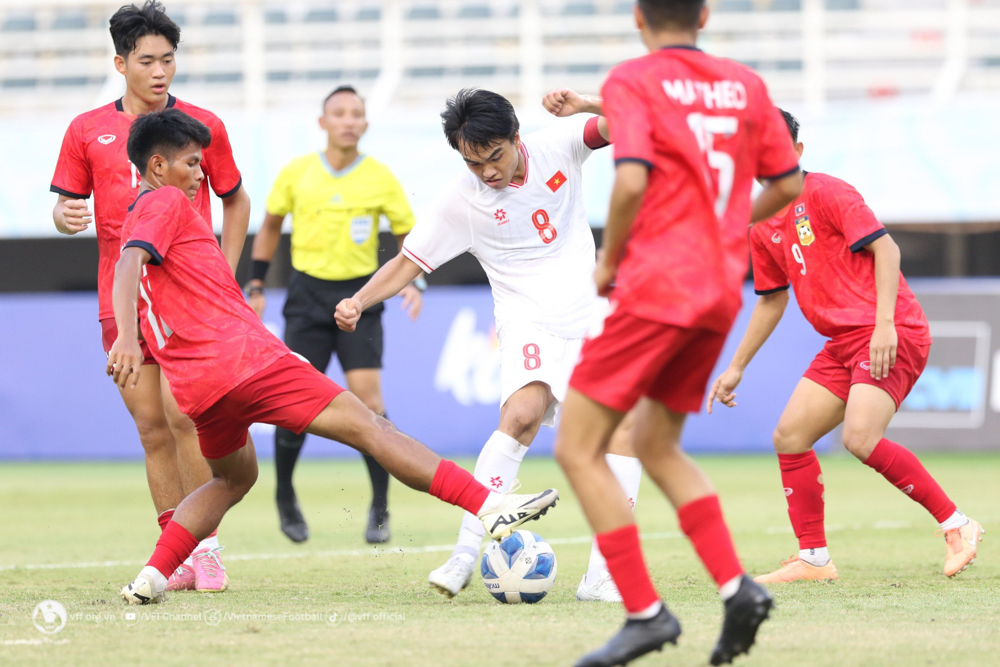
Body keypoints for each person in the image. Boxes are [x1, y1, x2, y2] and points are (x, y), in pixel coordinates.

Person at [109, 109, 560, 605]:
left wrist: (136, 336)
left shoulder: (139, 216)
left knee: (231, 478)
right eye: (192, 164)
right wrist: (126, 338)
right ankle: (490, 507)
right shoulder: (167, 202)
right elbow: (128, 263)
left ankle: (153, 574)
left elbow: (136, 270)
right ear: (157, 168)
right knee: (374, 427)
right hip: (248, 362)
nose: (200, 175)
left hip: (200, 388)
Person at [551, 0, 806, 664]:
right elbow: (787, 183)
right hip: (719, 290)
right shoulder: (747, 86)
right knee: (658, 446)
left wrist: (610, 260)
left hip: (657, 283)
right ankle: (736, 588)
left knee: (579, 447)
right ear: (706, 14)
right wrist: (723, 227)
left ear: (638, 17)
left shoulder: (634, 78)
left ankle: (644, 611)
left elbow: (631, 176)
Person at [334, 88, 644, 603]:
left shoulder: (560, 146)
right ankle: (462, 556)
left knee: (625, 433)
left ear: (516, 139)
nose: (486, 172)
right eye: (472, 162)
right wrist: (360, 300)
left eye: (494, 156)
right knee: (521, 415)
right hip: (527, 321)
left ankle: (603, 577)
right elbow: (408, 262)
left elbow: (631, 121)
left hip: (590, 319)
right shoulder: (461, 201)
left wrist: (589, 103)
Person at [707, 109, 984, 583]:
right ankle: (814, 558)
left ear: (795, 152)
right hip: (841, 342)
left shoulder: (827, 190)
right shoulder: (759, 224)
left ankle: (958, 525)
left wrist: (883, 326)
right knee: (789, 436)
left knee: (859, 437)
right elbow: (772, 301)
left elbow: (887, 249)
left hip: (889, 331)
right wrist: (736, 367)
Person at [49, 0, 251, 593]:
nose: (160, 71)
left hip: (188, 297)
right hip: (120, 297)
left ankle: (205, 548)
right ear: (120, 62)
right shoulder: (87, 129)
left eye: (168, 59)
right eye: (147, 61)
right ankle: (177, 554)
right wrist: (65, 216)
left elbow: (235, 198)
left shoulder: (202, 125)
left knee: (185, 418)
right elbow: (66, 209)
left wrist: (227, 270)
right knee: (152, 429)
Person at [246, 85, 424, 545]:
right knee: (293, 406)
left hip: (360, 297)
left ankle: (380, 508)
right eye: (339, 113)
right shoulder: (297, 173)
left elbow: (410, 234)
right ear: (322, 123)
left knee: (369, 402)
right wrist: (257, 283)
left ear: (365, 124)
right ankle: (285, 497)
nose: (348, 120)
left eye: (357, 114)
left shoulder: (380, 177)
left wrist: (414, 282)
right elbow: (269, 226)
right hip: (306, 298)